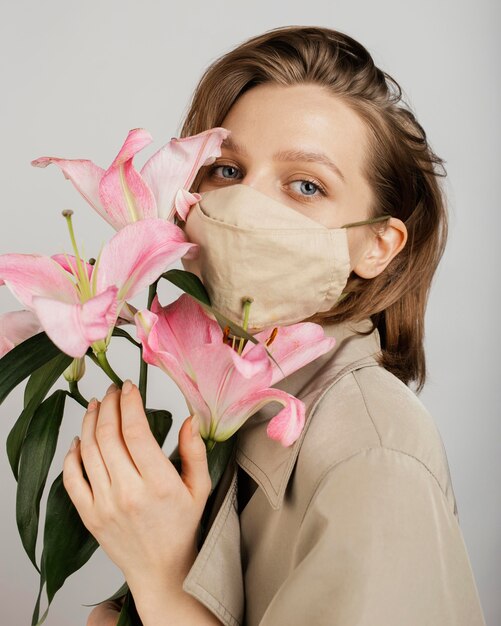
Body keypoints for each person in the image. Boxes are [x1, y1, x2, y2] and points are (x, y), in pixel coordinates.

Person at [79, 25, 486, 625]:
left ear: (377, 245)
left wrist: (161, 579)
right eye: (226, 171)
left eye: (305, 185)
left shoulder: (374, 454)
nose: (246, 208)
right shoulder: (247, 402)